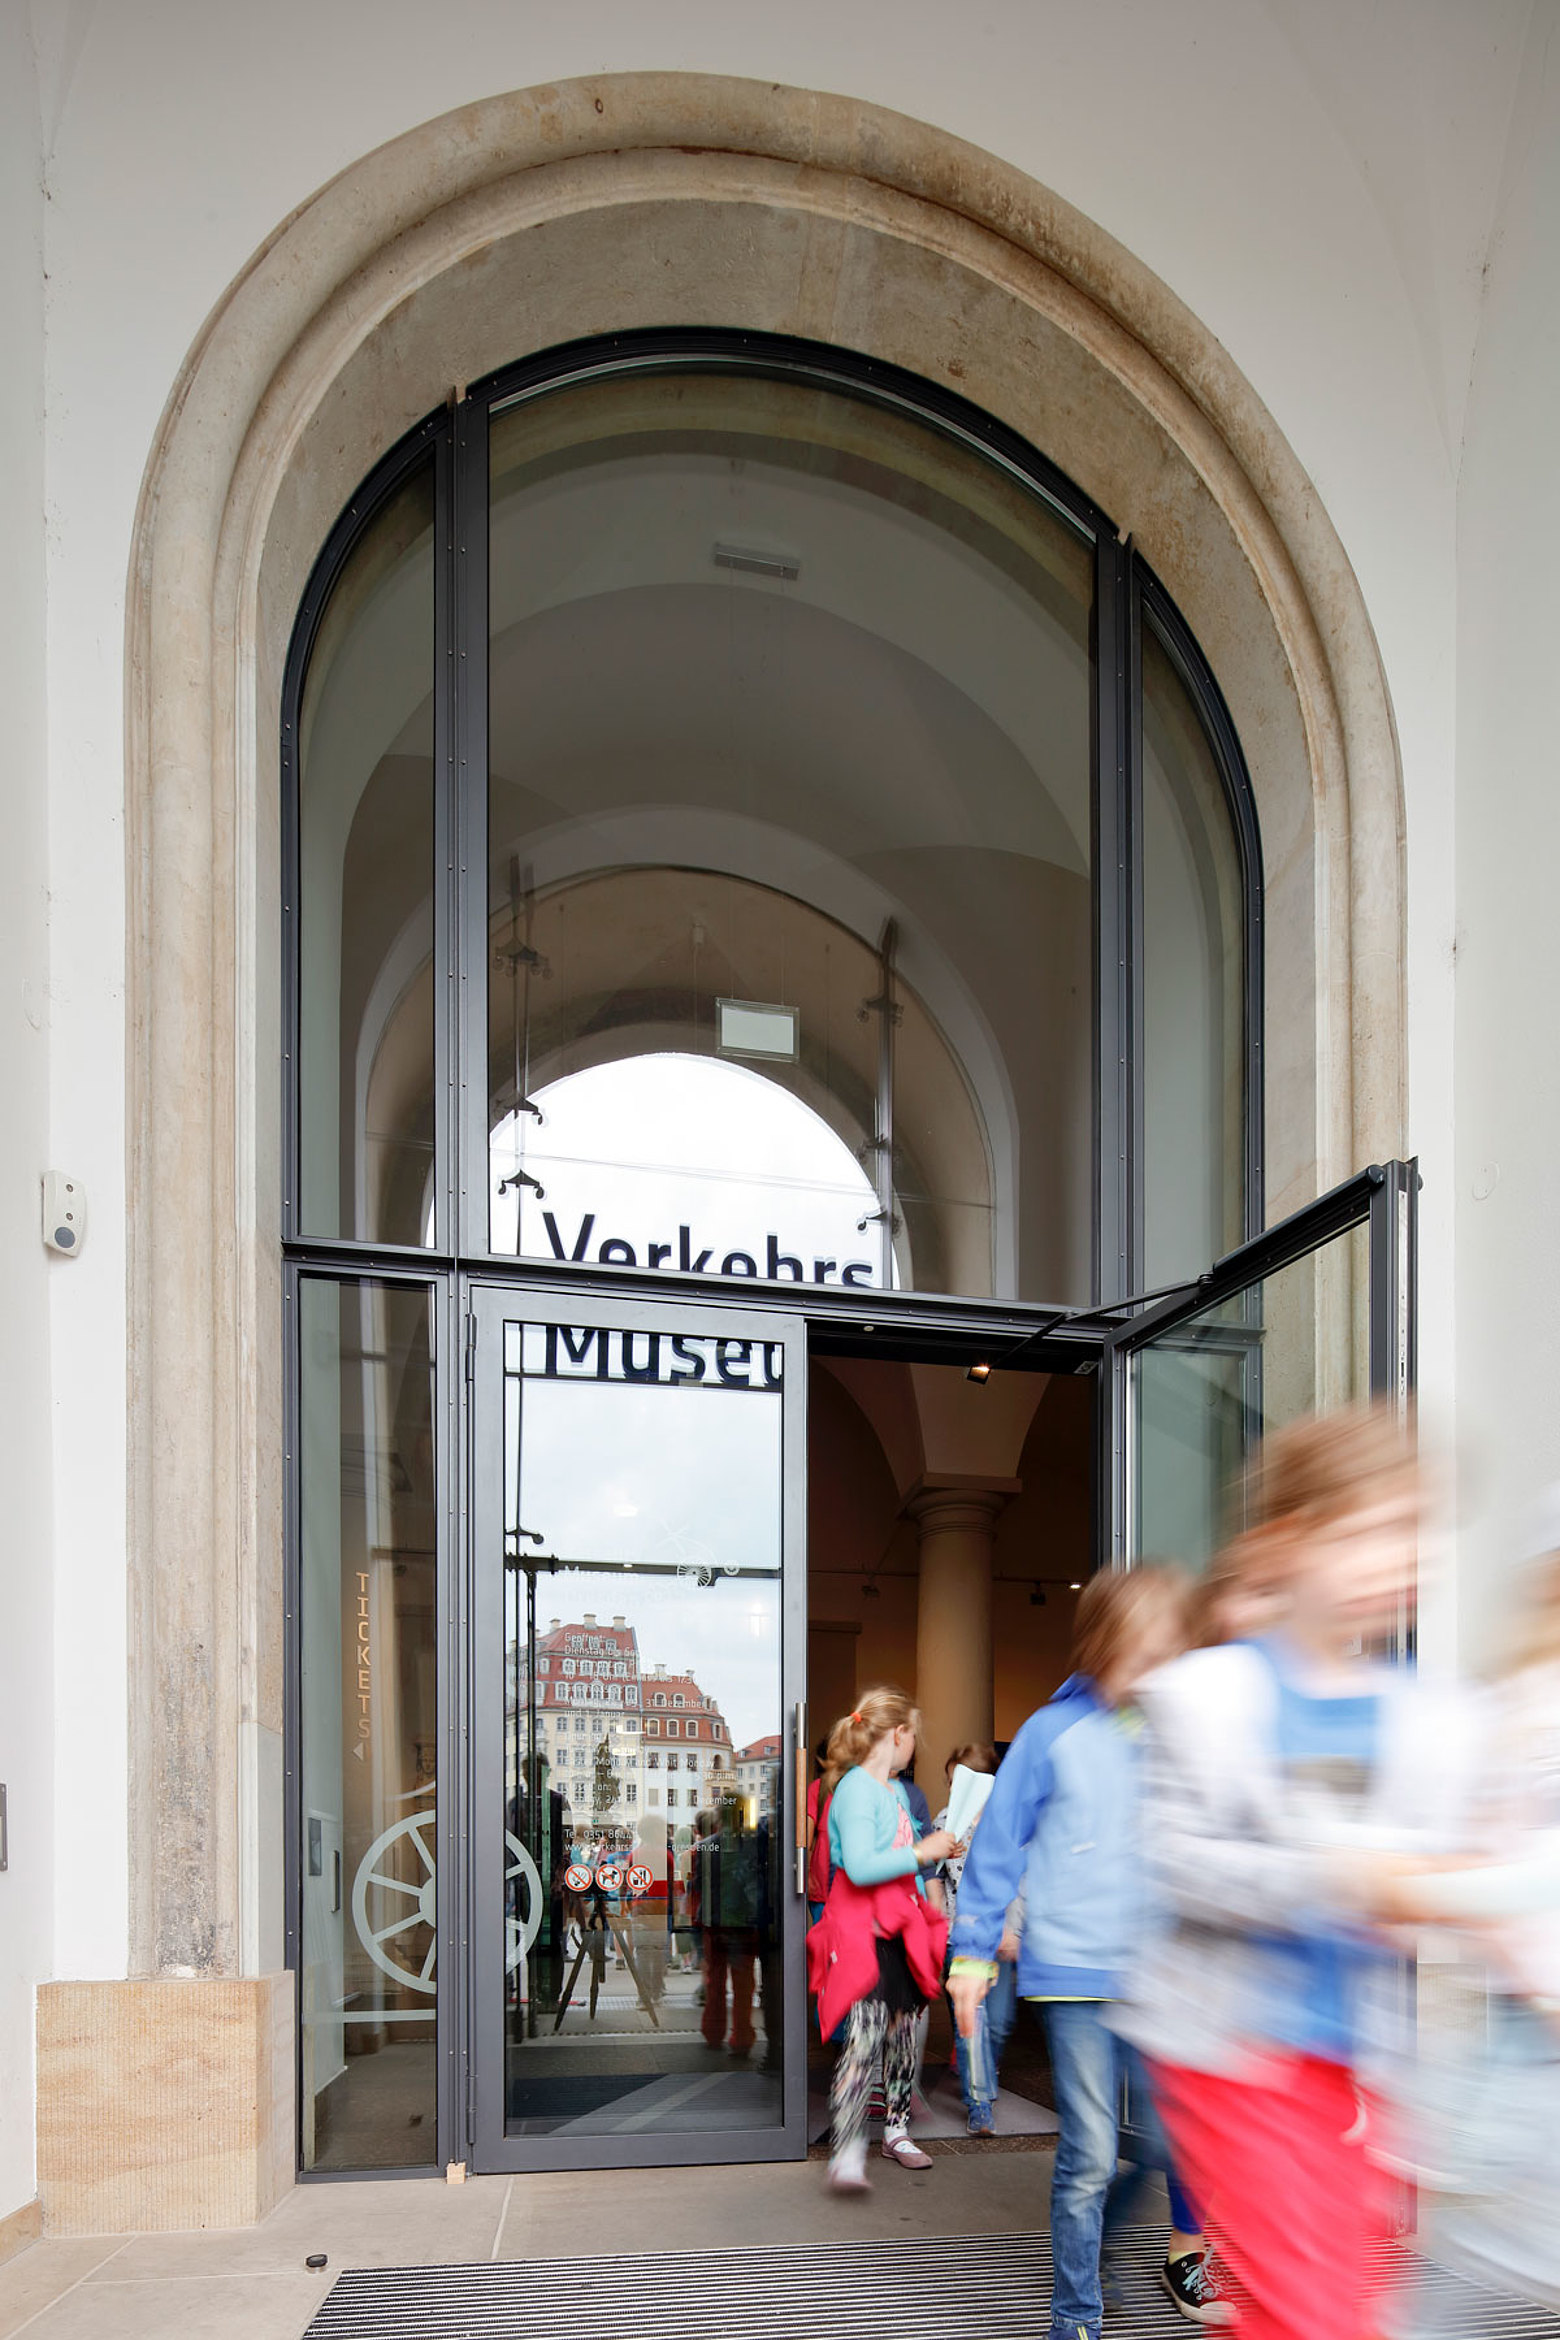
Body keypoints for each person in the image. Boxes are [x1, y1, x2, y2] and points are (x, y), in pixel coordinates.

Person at [1115, 1406, 1475, 2340]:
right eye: (1364, 1534)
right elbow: (1176, 1862)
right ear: (1285, 1544)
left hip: (1361, 2069)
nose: (1393, 1562)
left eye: (1409, 1536)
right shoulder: (1208, 1699)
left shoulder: (1427, 1715)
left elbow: (1446, 1871)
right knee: (1313, 2313)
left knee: (1336, 2305)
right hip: (1238, 2054)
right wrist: (1332, 1875)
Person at [949, 1567, 1230, 2338]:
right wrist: (972, 1957)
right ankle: (1076, 2316)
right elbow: (995, 1849)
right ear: (1103, 1647)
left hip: (1161, 1977)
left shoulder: (1179, 1736)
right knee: (1093, 2153)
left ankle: (1099, 2244)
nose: (1156, 1670)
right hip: (1074, 1977)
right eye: (1142, 1652)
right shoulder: (1050, 1733)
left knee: (1180, 2141)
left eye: (1168, 1652)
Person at [808, 1686, 956, 2192]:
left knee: (902, 2042)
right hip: (864, 1936)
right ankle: (847, 2148)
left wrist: (925, 1897)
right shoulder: (853, 1789)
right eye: (914, 1733)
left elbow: (902, 1867)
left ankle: (896, 2130)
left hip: (897, 1932)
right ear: (898, 1734)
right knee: (865, 2041)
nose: (916, 1744)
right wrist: (921, 1853)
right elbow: (862, 1867)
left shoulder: (891, 1791)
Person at [935, 1741, 1020, 2136]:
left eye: (963, 1781)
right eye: (951, 1781)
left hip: (999, 1932)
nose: (956, 1789)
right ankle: (979, 2101)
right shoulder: (946, 1820)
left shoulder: (1009, 1822)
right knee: (973, 2022)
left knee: (999, 2024)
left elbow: (1022, 1879)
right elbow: (932, 1873)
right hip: (960, 1935)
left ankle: (984, 2072)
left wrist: (1012, 1928)